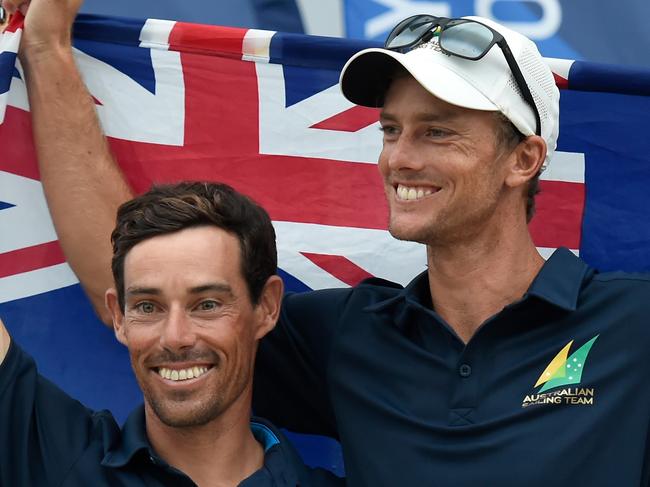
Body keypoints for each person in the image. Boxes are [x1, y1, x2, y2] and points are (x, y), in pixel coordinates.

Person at [4, 0, 650, 484]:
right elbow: (145, 268)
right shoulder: (348, 335)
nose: (400, 157)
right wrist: (48, 48)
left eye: (437, 132)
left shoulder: (635, 323)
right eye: (392, 129)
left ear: (525, 159)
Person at [0, 181, 343, 486]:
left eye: (206, 304)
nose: (175, 337)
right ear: (119, 316)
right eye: (148, 307)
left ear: (266, 307)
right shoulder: (58, 460)